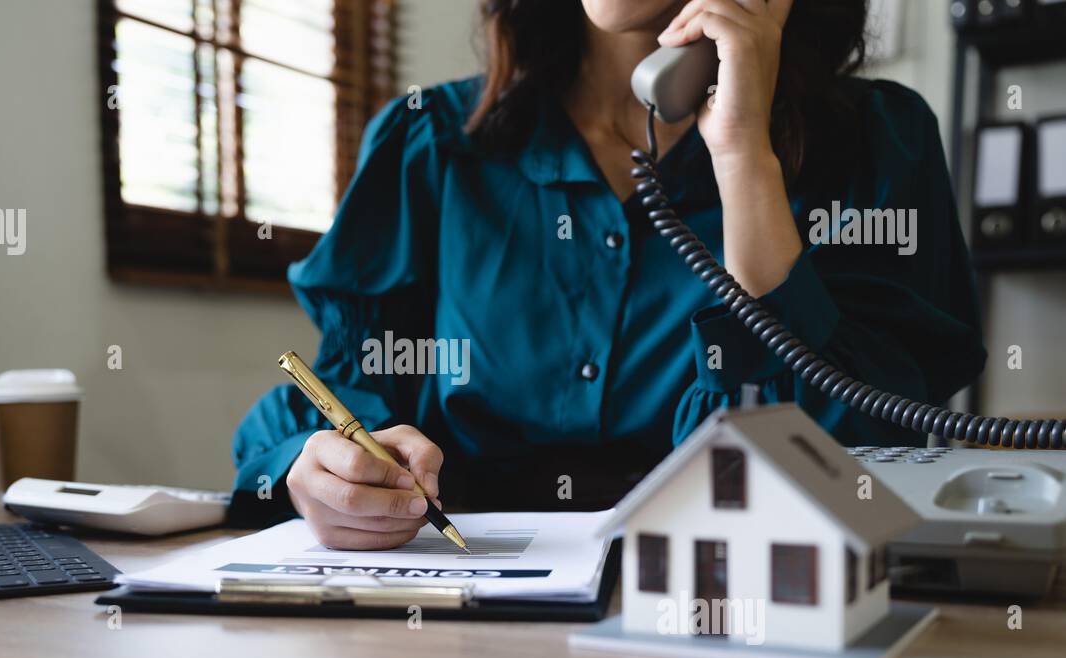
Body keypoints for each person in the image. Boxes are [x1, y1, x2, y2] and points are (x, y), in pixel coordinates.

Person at [230, 0, 985, 548]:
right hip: (460, 617)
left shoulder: (878, 142)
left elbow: (849, 465)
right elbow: (347, 396)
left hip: (745, 612)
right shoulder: (429, 141)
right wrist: (325, 470)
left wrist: (744, 158)